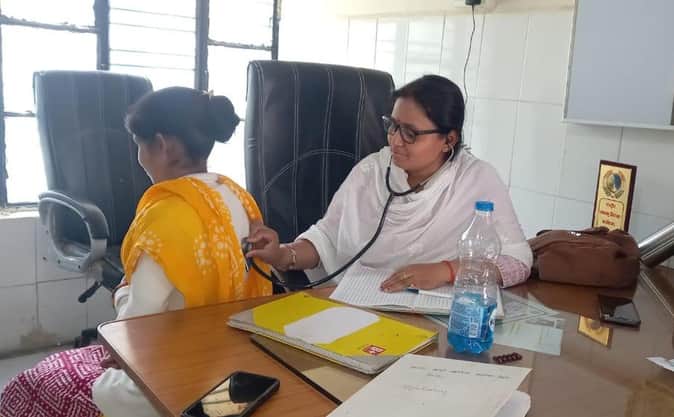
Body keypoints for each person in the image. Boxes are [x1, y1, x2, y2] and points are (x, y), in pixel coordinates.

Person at [0, 87, 272, 417]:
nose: (139, 157)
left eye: (139, 145)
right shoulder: (240, 198)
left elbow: (136, 325)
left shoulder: (166, 217)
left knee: (30, 383)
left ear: (163, 145)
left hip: (169, 384)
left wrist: (121, 294)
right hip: (236, 370)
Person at [247, 75, 532, 291]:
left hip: (435, 321)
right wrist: (281, 255)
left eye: (410, 133)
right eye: (392, 126)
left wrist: (446, 271)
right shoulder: (371, 172)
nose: (395, 140)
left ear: (449, 139)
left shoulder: (477, 180)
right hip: (359, 310)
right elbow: (326, 241)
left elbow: (518, 262)